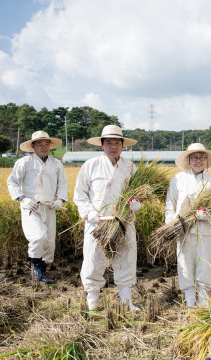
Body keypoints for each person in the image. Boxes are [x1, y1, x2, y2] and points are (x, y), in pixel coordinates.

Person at [73, 125, 142, 311]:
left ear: (122, 145)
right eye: (109, 143)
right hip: (98, 223)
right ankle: (93, 301)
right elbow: (79, 195)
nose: (113, 146)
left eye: (117, 143)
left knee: (126, 258)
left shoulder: (130, 167)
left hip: (123, 222)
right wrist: (90, 213)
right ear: (102, 145)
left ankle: (127, 302)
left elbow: (139, 194)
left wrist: (137, 205)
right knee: (93, 260)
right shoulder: (91, 166)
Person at [165, 143, 211, 308]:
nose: (198, 161)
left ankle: (204, 305)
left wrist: (208, 215)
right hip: (183, 232)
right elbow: (170, 205)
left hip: (207, 233)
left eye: (201, 157)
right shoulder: (178, 180)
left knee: (206, 267)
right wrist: (172, 224)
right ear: (188, 160)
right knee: (185, 267)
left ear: (206, 160)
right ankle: (190, 304)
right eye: (194, 157)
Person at [7, 131, 67, 284]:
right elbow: (12, 182)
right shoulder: (24, 162)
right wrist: (23, 198)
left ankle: (42, 274)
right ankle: (37, 271)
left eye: (46, 144)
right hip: (31, 207)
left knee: (48, 241)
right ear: (33, 146)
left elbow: (63, 184)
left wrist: (60, 200)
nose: (43, 147)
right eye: (39, 144)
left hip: (49, 207)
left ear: (50, 146)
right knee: (38, 237)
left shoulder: (56, 164)